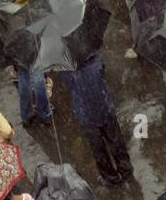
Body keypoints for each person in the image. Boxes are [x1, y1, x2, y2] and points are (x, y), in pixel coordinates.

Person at [57, 51, 134, 186]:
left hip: (86, 114)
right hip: (105, 107)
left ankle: (111, 178)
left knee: (98, 148)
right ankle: (126, 171)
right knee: (115, 140)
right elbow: (102, 71)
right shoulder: (95, 58)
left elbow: (67, 84)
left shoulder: (66, 68)